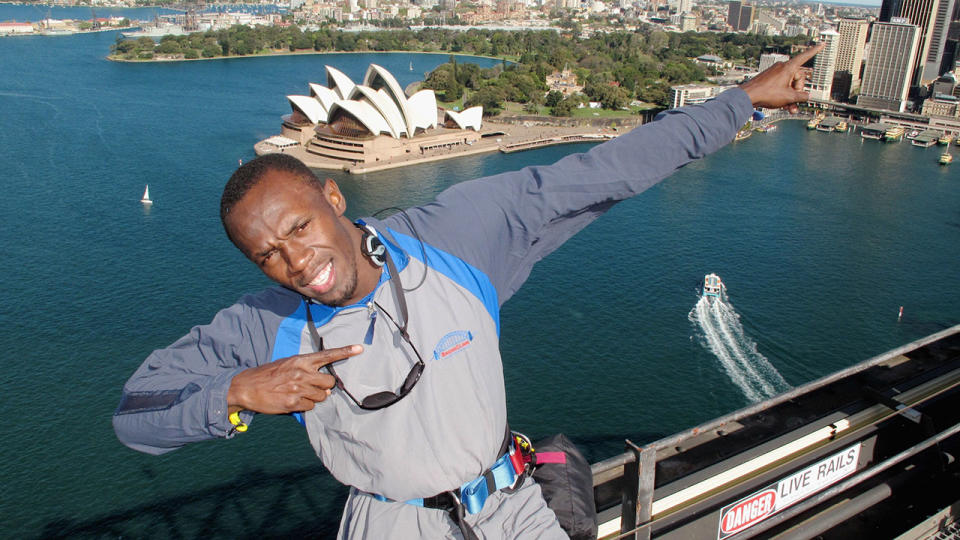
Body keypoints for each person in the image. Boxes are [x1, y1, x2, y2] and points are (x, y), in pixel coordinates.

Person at [114, 44, 823, 538]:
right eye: (266, 255)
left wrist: (740, 102)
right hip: (389, 523)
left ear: (334, 195)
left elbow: (605, 170)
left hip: (512, 505)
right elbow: (134, 415)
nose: (295, 262)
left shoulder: (453, 236)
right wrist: (236, 395)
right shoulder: (261, 327)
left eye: (299, 228)